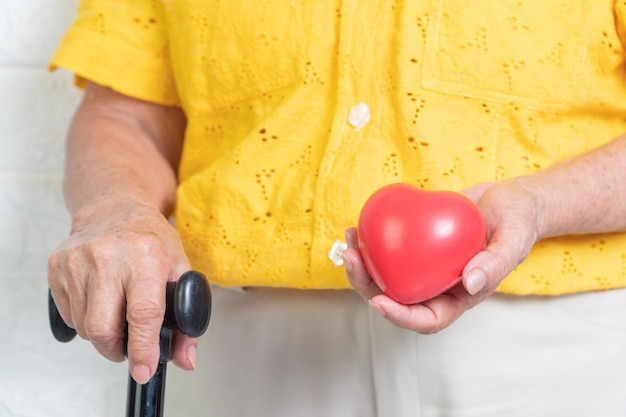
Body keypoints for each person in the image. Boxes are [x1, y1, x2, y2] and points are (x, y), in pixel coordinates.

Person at [47, 1, 626, 416]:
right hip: (245, 359)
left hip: (556, 358)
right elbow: (126, 113)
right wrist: (115, 210)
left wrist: (541, 204)